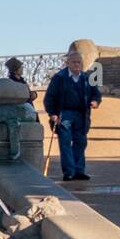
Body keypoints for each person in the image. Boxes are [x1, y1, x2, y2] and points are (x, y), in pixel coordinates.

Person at [43, 49, 102, 181]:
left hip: (81, 114)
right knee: (65, 142)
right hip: (64, 114)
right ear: (68, 63)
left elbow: (96, 94)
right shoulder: (59, 78)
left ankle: (79, 171)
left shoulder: (86, 78)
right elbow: (49, 98)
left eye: (79, 62)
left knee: (80, 142)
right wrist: (52, 113)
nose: (77, 65)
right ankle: (69, 172)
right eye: (74, 62)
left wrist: (95, 101)